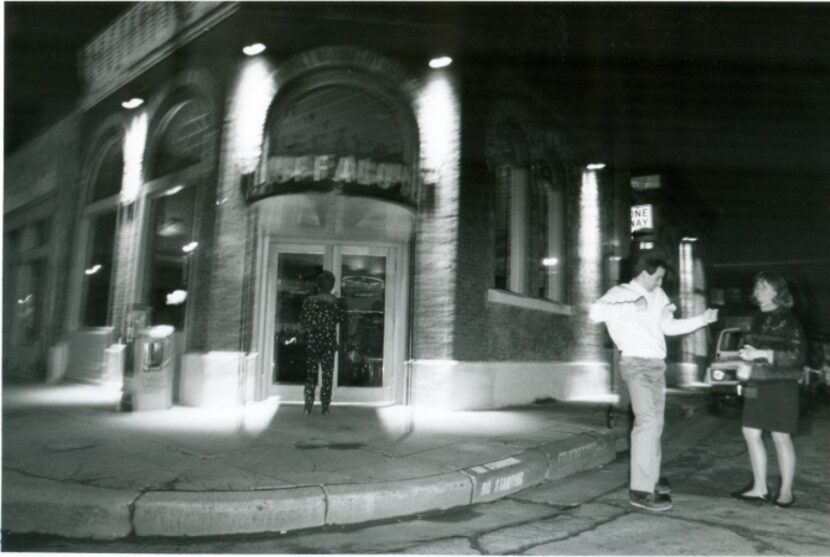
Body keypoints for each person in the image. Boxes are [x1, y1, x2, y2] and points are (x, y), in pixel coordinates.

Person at [590, 255, 718, 511]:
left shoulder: (659, 295)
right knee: (647, 422)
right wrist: (632, 306)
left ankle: (649, 479)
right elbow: (595, 313)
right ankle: (640, 491)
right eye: (657, 276)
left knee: (655, 424)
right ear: (643, 272)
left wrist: (702, 320)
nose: (660, 281)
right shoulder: (620, 292)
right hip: (635, 364)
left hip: (657, 366)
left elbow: (668, 328)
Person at [731, 271, 805, 508]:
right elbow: (747, 346)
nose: (757, 292)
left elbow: (796, 355)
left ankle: (786, 492)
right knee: (750, 432)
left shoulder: (789, 319)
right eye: (757, 287)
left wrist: (761, 354)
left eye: (763, 287)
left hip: (781, 384)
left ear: (777, 292)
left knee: (780, 436)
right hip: (756, 381)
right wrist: (744, 359)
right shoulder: (756, 318)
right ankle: (760, 488)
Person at [299, 271, 346, 415]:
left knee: (310, 374)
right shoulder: (336, 303)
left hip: (313, 341)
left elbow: (303, 321)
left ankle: (308, 404)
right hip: (328, 341)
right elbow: (340, 320)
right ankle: (325, 405)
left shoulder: (309, 301)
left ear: (318, 285)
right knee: (327, 375)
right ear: (331, 286)